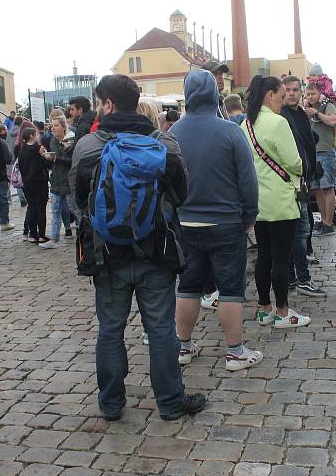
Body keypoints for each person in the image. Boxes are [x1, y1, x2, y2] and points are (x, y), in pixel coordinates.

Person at [73, 74, 205, 421]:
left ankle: (112, 403)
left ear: (108, 104)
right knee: (160, 328)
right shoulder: (164, 143)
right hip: (156, 251)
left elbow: (78, 201)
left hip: (107, 254)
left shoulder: (88, 147)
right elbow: (182, 194)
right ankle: (171, 401)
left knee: (110, 329)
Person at [171, 69, 262, 371]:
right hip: (225, 223)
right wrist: (249, 215)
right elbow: (248, 183)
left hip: (185, 223)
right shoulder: (230, 132)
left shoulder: (171, 135)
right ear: (215, 94)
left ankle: (183, 346)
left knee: (188, 285)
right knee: (231, 288)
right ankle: (235, 352)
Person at [241, 75, 311, 328]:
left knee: (265, 257)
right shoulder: (278, 123)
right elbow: (294, 162)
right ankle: (283, 312)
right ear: (269, 95)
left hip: (258, 201)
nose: (284, 101)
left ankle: (264, 308)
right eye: (282, 96)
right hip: (280, 201)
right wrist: (302, 167)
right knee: (282, 259)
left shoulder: (246, 124)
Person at [279, 75, 325, 297]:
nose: (291, 93)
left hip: (302, 180)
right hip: (289, 182)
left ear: (301, 91)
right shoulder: (281, 116)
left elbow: (307, 141)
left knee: (297, 232)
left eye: (295, 90)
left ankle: (291, 278)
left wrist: (311, 166)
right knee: (298, 232)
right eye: (287, 90)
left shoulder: (302, 115)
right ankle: (301, 279)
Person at [304, 82, 336, 237]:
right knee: (317, 190)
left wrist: (316, 113)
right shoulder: (306, 108)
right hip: (312, 153)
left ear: (320, 93)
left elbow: (333, 121)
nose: (310, 97)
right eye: (308, 94)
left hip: (326, 152)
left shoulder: (328, 106)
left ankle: (328, 223)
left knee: (327, 188)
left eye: (313, 94)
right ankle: (323, 220)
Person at [40, 115, 75, 249]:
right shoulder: (53, 141)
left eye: (56, 125)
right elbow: (51, 164)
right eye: (52, 125)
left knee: (74, 210)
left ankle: (85, 234)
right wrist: (45, 157)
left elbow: (72, 161)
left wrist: (55, 159)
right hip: (56, 181)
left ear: (63, 127)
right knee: (55, 211)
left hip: (68, 181)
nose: (53, 128)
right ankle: (54, 239)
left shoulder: (71, 141)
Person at [16, 127, 51, 243]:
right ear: (31, 136)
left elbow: (20, 166)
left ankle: (32, 234)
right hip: (40, 181)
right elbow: (46, 164)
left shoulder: (22, 150)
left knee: (32, 208)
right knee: (41, 208)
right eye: (36, 134)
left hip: (27, 182)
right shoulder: (39, 149)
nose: (38, 136)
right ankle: (41, 235)